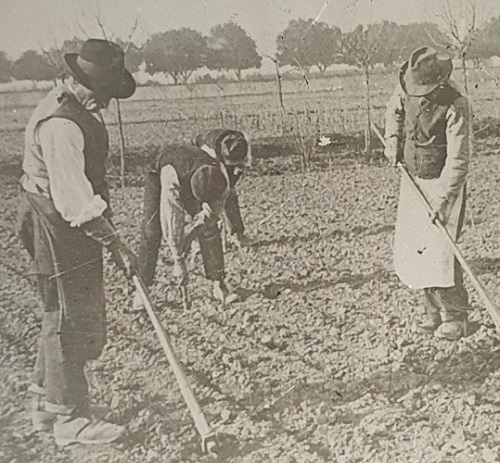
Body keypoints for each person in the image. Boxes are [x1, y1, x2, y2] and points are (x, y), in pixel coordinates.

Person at [18, 39, 136, 446]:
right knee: (69, 318)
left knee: (60, 313)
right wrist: (116, 243)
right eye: (103, 94)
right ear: (84, 83)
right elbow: (73, 200)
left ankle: (44, 403)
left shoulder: (75, 108)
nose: (105, 103)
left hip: (63, 218)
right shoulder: (62, 124)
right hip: (57, 222)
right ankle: (70, 420)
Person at [384, 46, 472, 341]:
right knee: (417, 247)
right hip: (412, 178)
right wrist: (392, 144)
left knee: (442, 250)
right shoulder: (405, 87)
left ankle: (455, 317)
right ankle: (431, 312)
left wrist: (444, 200)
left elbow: (459, 159)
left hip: (444, 181)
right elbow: (393, 113)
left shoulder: (456, 104)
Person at [133, 138, 245, 310]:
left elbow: (212, 214)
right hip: (162, 174)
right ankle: (142, 290)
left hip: (195, 175)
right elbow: (172, 223)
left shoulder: (221, 177)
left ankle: (219, 284)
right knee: (151, 230)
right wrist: (179, 262)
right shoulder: (172, 179)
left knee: (210, 230)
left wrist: (195, 230)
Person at [194, 129, 252, 249]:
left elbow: (243, 167)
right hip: (205, 163)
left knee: (231, 194)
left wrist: (230, 184)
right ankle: (200, 239)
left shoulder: (244, 141)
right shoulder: (208, 150)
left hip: (222, 156)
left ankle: (237, 234)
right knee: (204, 198)